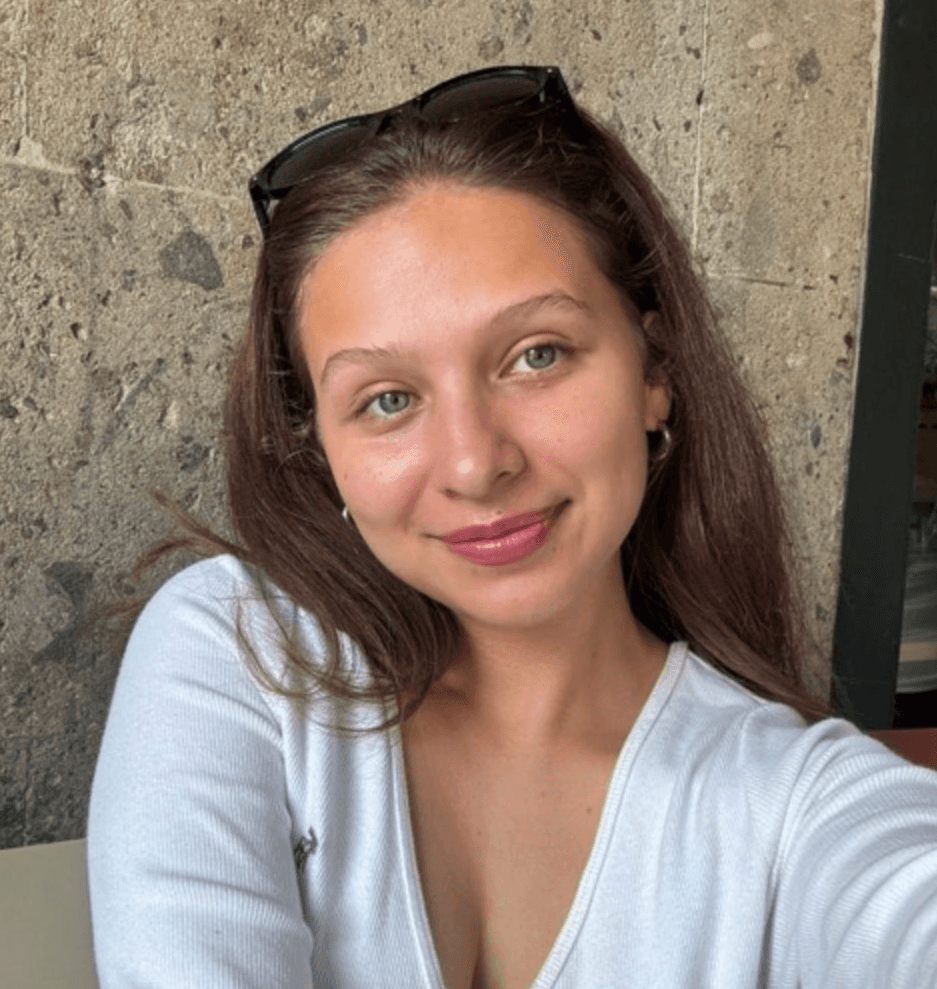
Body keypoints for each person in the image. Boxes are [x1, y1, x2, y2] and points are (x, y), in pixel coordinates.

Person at [86, 65, 937, 989]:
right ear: (321, 448)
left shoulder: (798, 803)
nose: (473, 462)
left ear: (653, 370)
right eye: (386, 399)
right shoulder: (242, 656)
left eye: (537, 354)